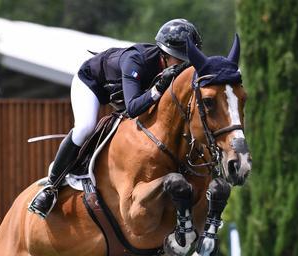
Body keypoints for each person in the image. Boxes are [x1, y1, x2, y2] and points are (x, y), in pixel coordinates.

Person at [28, 19, 203, 219]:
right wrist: (158, 88)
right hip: (92, 84)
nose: (184, 67)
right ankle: (52, 186)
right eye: (179, 60)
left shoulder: (177, 68)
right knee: (85, 127)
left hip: (125, 95)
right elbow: (133, 107)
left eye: (187, 62)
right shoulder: (136, 60)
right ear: (164, 54)